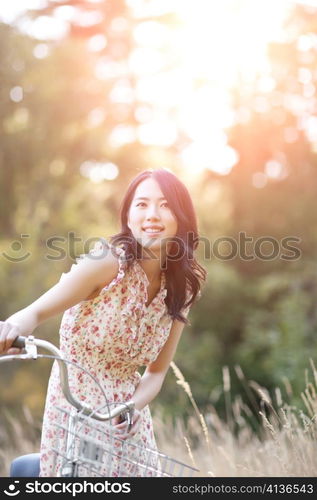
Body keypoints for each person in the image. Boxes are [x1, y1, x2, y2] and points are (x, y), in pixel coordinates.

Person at [0, 168, 206, 476]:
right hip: (75, 407)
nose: (152, 214)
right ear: (128, 216)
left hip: (126, 420)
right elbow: (35, 312)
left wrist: (132, 407)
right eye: (141, 204)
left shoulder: (181, 288)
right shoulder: (108, 263)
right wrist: (11, 328)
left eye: (165, 205)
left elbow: (157, 371)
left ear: (181, 217)